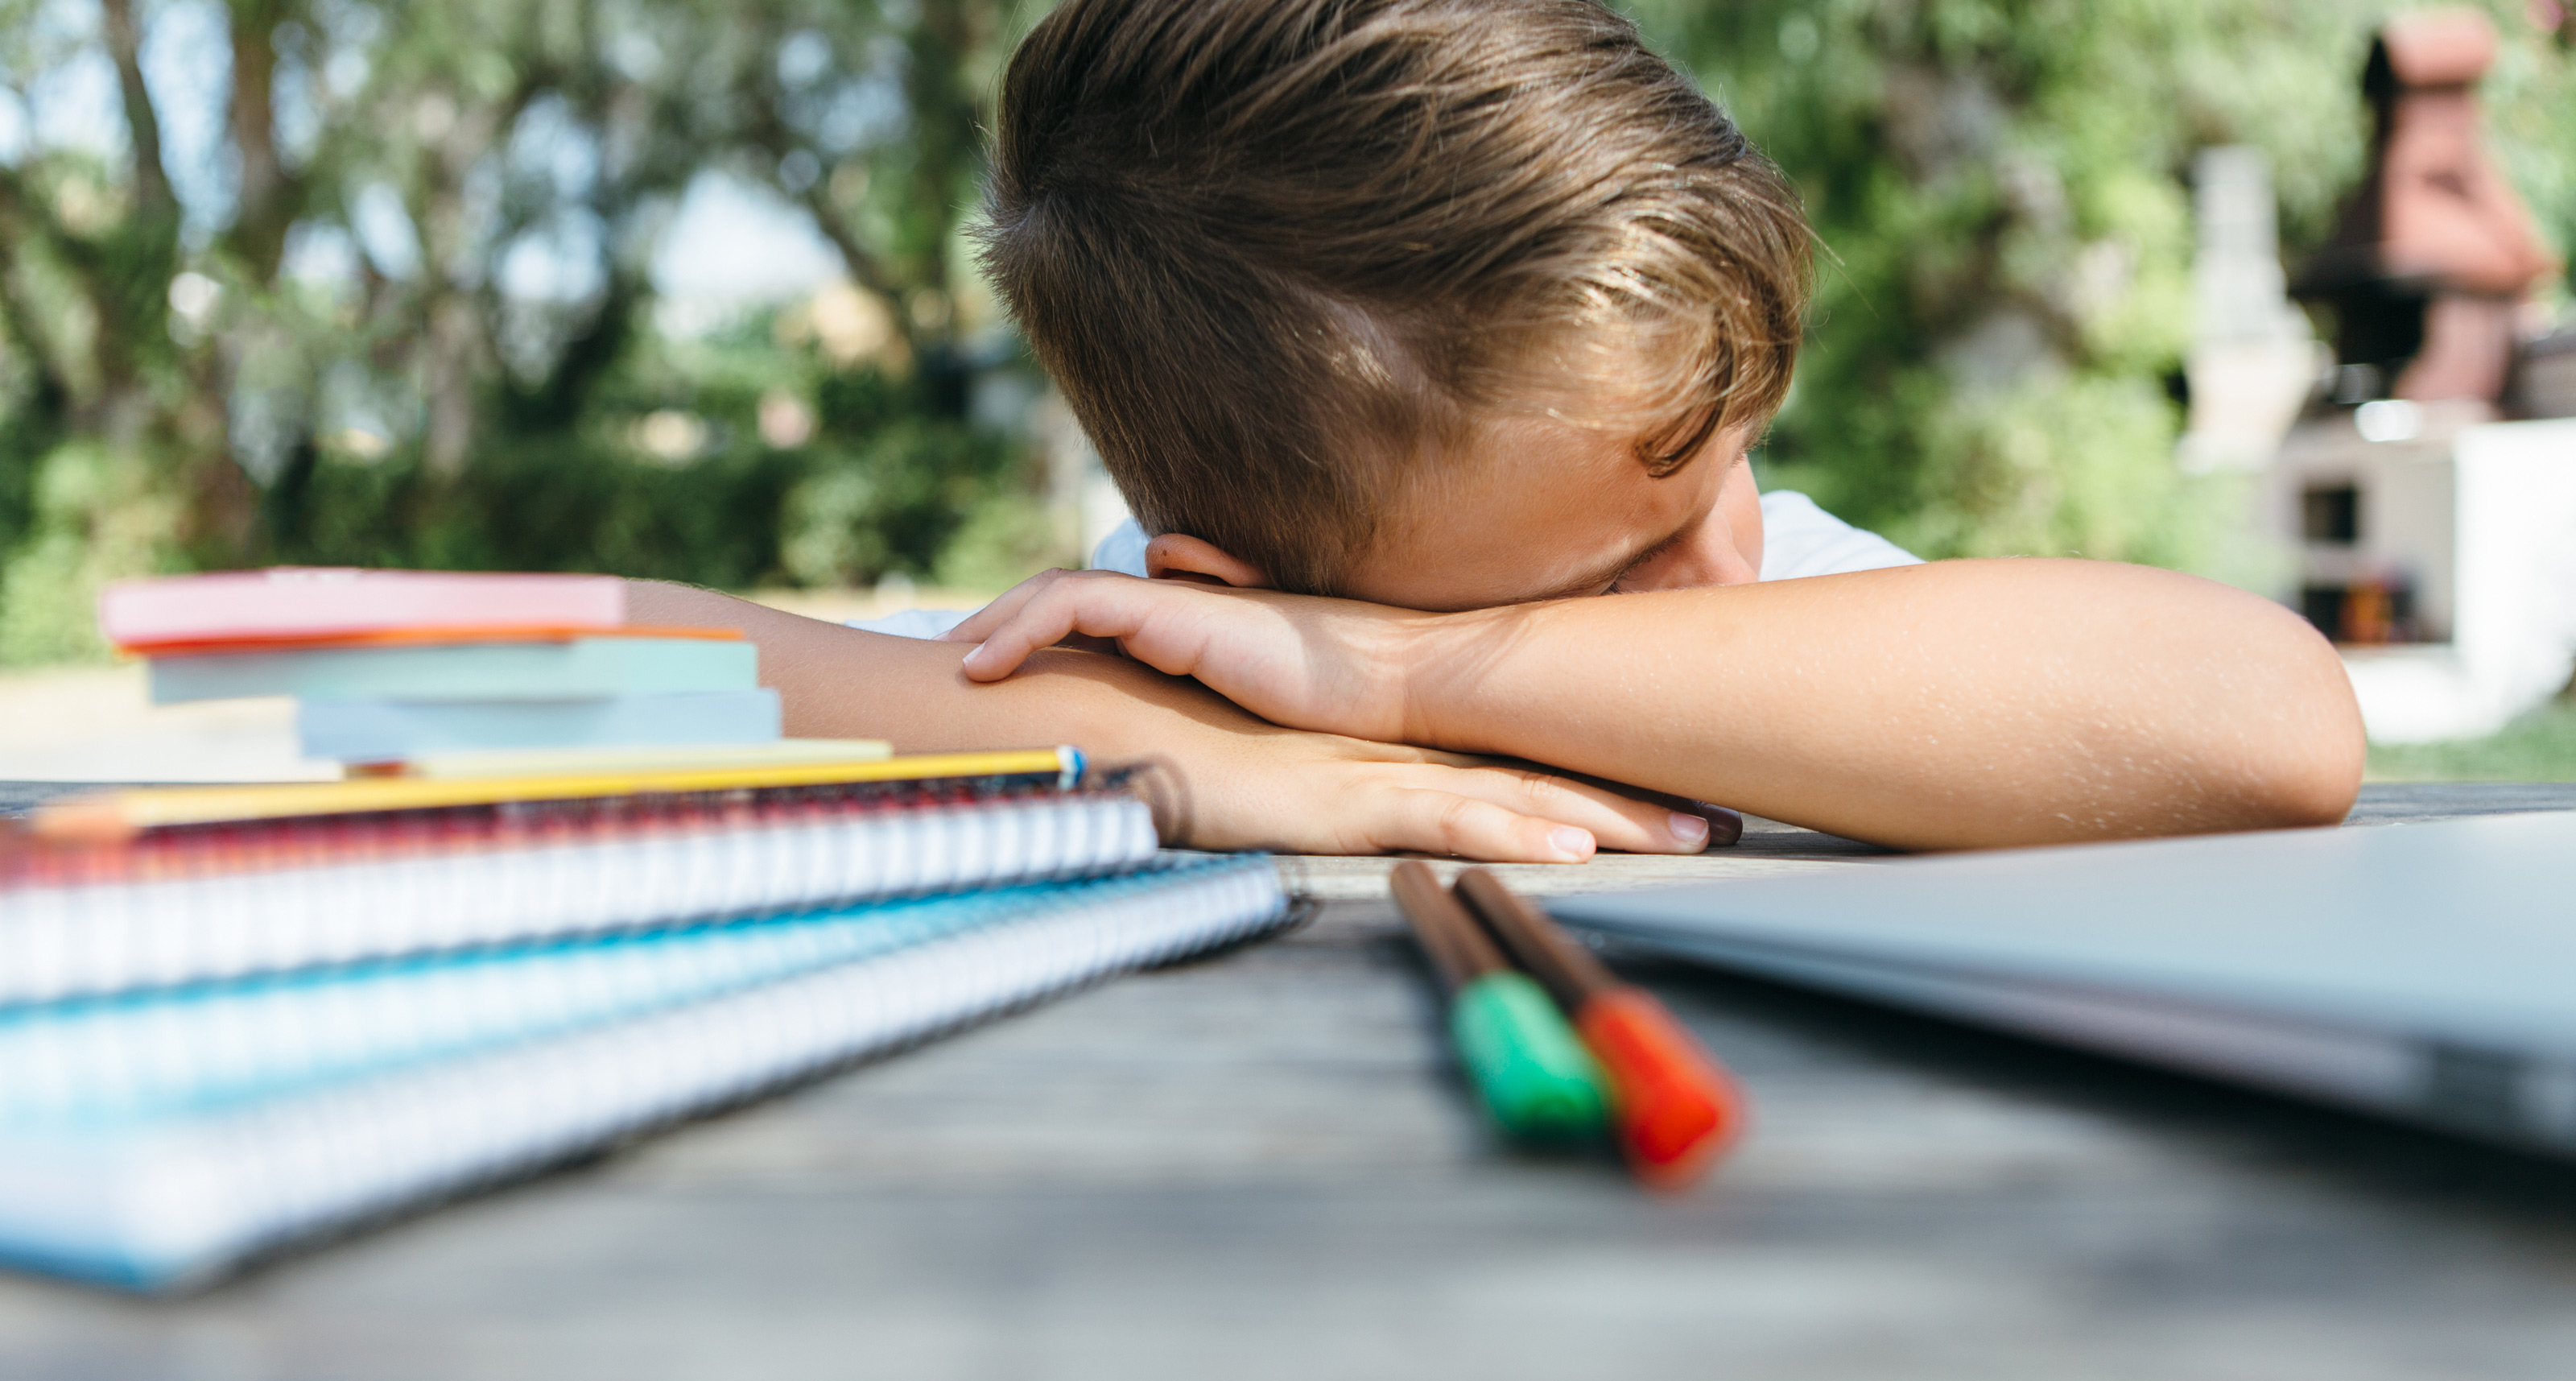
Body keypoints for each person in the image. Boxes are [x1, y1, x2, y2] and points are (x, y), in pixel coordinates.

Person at [632, 0, 2363, 858]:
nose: (1728, 565)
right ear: (1226, 588)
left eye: (1732, 454)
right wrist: (1200, 747)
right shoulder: (1149, 681)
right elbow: (394, 662)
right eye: (1610, 572)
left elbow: (2270, 724)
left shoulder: (1777, 619)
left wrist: (1406, 677)